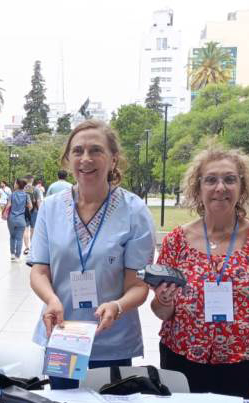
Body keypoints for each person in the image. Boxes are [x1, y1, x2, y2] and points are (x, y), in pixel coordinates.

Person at [151, 145, 249, 399]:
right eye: (211, 180)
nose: (220, 188)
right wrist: (163, 301)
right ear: (198, 188)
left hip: (247, 368)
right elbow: (163, 313)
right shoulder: (176, 241)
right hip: (183, 363)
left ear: (242, 187)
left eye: (229, 180)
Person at [28, 119, 155, 389]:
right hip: (64, 336)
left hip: (112, 342)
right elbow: (39, 271)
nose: (86, 159)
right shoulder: (50, 208)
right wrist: (51, 299)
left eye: (96, 150)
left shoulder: (134, 211)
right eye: (78, 151)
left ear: (113, 159)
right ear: (68, 159)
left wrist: (118, 306)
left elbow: (138, 286)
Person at [7, 178, 32, 262]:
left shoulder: (12, 195)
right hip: (21, 219)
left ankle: (12, 254)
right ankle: (18, 256)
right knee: (19, 238)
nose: (14, 184)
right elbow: (30, 206)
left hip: (11, 219)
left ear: (17, 185)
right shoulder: (26, 195)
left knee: (12, 237)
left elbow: (8, 205)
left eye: (15, 183)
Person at [22, 175, 42, 255]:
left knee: (25, 229)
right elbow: (38, 201)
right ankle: (33, 247)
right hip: (34, 211)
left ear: (26, 180)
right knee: (33, 230)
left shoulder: (23, 189)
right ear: (32, 180)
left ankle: (26, 247)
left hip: (24, 211)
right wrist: (41, 211)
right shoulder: (36, 189)